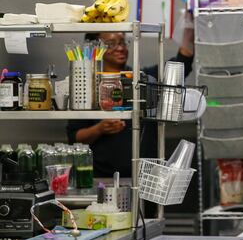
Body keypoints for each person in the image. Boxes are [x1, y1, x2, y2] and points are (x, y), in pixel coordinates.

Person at [67, 30, 194, 177]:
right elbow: (74, 137)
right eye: (111, 44)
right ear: (95, 49)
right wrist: (99, 128)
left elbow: (182, 62)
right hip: (103, 179)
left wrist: (190, 26)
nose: (120, 48)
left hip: (146, 179)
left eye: (122, 42)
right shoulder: (86, 86)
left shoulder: (143, 79)